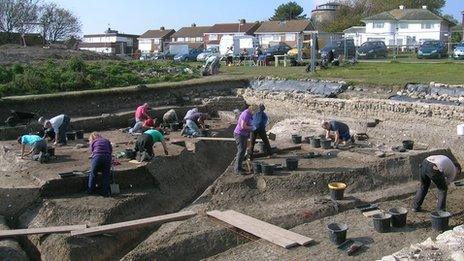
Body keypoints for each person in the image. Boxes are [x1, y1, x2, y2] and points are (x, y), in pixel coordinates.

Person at [233, 104, 257, 175]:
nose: (255, 113)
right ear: (252, 109)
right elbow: (243, 126)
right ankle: (237, 169)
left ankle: (239, 167)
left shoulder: (249, 113)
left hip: (244, 134)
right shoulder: (246, 114)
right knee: (241, 151)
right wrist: (252, 128)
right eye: (255, 112)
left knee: (243, 151)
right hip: (239, 134)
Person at [88, 132, 113, 197]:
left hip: (97, 157)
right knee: (106, 174)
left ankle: (91, 190)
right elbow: (110, 150)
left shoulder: (93, 142)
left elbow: (92, 151)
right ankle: (105, 192)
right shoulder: (106, 140)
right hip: (107, 157)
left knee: (93, 173)